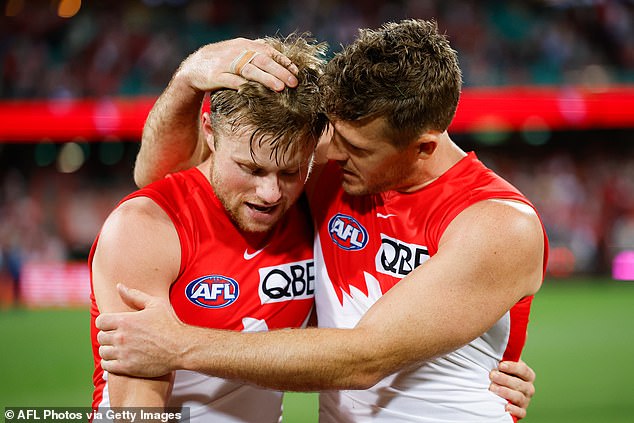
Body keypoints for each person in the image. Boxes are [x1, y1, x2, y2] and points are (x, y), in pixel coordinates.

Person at [97, 19, 546, 422]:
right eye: (333, 136)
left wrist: (178, 345)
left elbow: (363, 358)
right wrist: (189, 79)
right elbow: (163, 181)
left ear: (423, 146)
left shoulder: (499, 225)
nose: (330, 155)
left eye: (358, 149)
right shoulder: (330, 173)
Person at [90, 34, 328, 422]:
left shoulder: (315, 201)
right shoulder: (145, 229)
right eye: (251, 169)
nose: (270, 193)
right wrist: (187, 77)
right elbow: (137, 406)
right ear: (209, 132)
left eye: (290, 171)